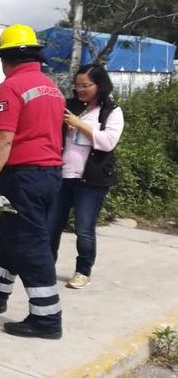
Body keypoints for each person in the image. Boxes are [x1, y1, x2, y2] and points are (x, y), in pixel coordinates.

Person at [0, 24, 66, 340]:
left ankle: (47, 319)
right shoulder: (52, 87)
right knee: (12, 234)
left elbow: (3, 138)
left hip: (24, 176)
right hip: (49, 174)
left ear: (5, 58)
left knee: (31, 245)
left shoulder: (10, 88)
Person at [50, 64, 124, 289]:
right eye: (77, 85)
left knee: (84, 228)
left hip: (91, 180)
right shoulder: (70, 106)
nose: (80, 90)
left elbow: (108, 142)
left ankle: (83, 270)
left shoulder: (111, 111)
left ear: (99, 85)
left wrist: (79, 124)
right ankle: (45, 265)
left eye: (86, 85)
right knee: (51, 224)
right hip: (63, 175)